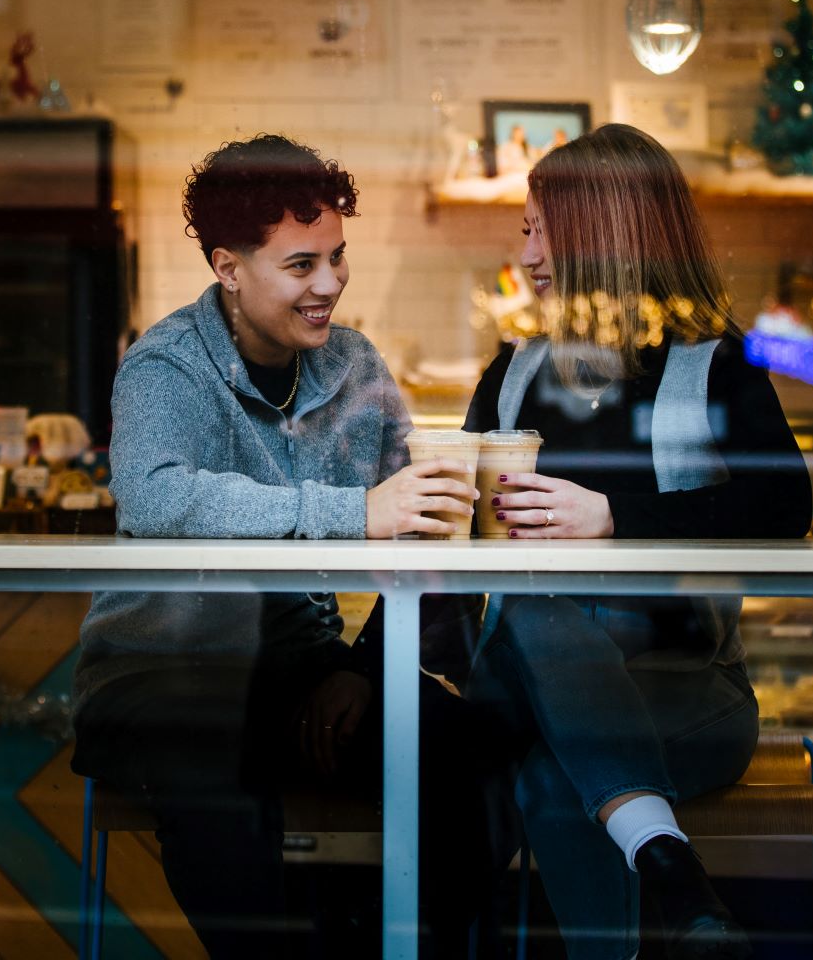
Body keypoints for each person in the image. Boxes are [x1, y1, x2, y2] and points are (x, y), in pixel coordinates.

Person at [71, 134, 507, 958]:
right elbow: (159, 498)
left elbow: (427, 530)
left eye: (338, 258)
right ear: (228, 266)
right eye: (302, 265)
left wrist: (361, 669)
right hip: (161, 673)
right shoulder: (165, 369)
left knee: (473, 755)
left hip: (298, 671)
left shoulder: (357, 368)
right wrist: (352, 514)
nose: (332, 285)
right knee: (216, 766)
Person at [460, 124, 813, 960]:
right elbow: (454, 540)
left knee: (548, 755)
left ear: (602, 233)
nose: (529, 253)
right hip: (525, 696)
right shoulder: (510, 374)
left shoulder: (712, 367)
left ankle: (657, 872)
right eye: (526, 230)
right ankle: (674, 879)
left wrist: (614, 519)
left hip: (690, 689)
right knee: (532, 616)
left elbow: (784, 506)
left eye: (541, 227)